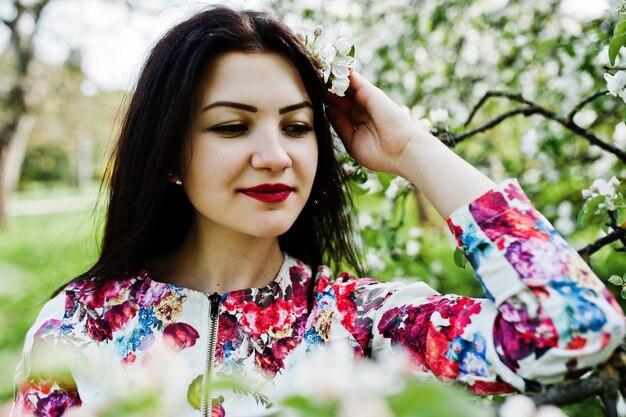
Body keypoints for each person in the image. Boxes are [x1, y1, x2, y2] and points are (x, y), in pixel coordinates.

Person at [10, 6, 626, 417]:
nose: (275, 156)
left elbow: (575, 327)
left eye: (298, 126)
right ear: (170, 151)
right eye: (232, 126)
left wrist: (410, 147)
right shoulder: (77, 329)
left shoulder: (362, 325)